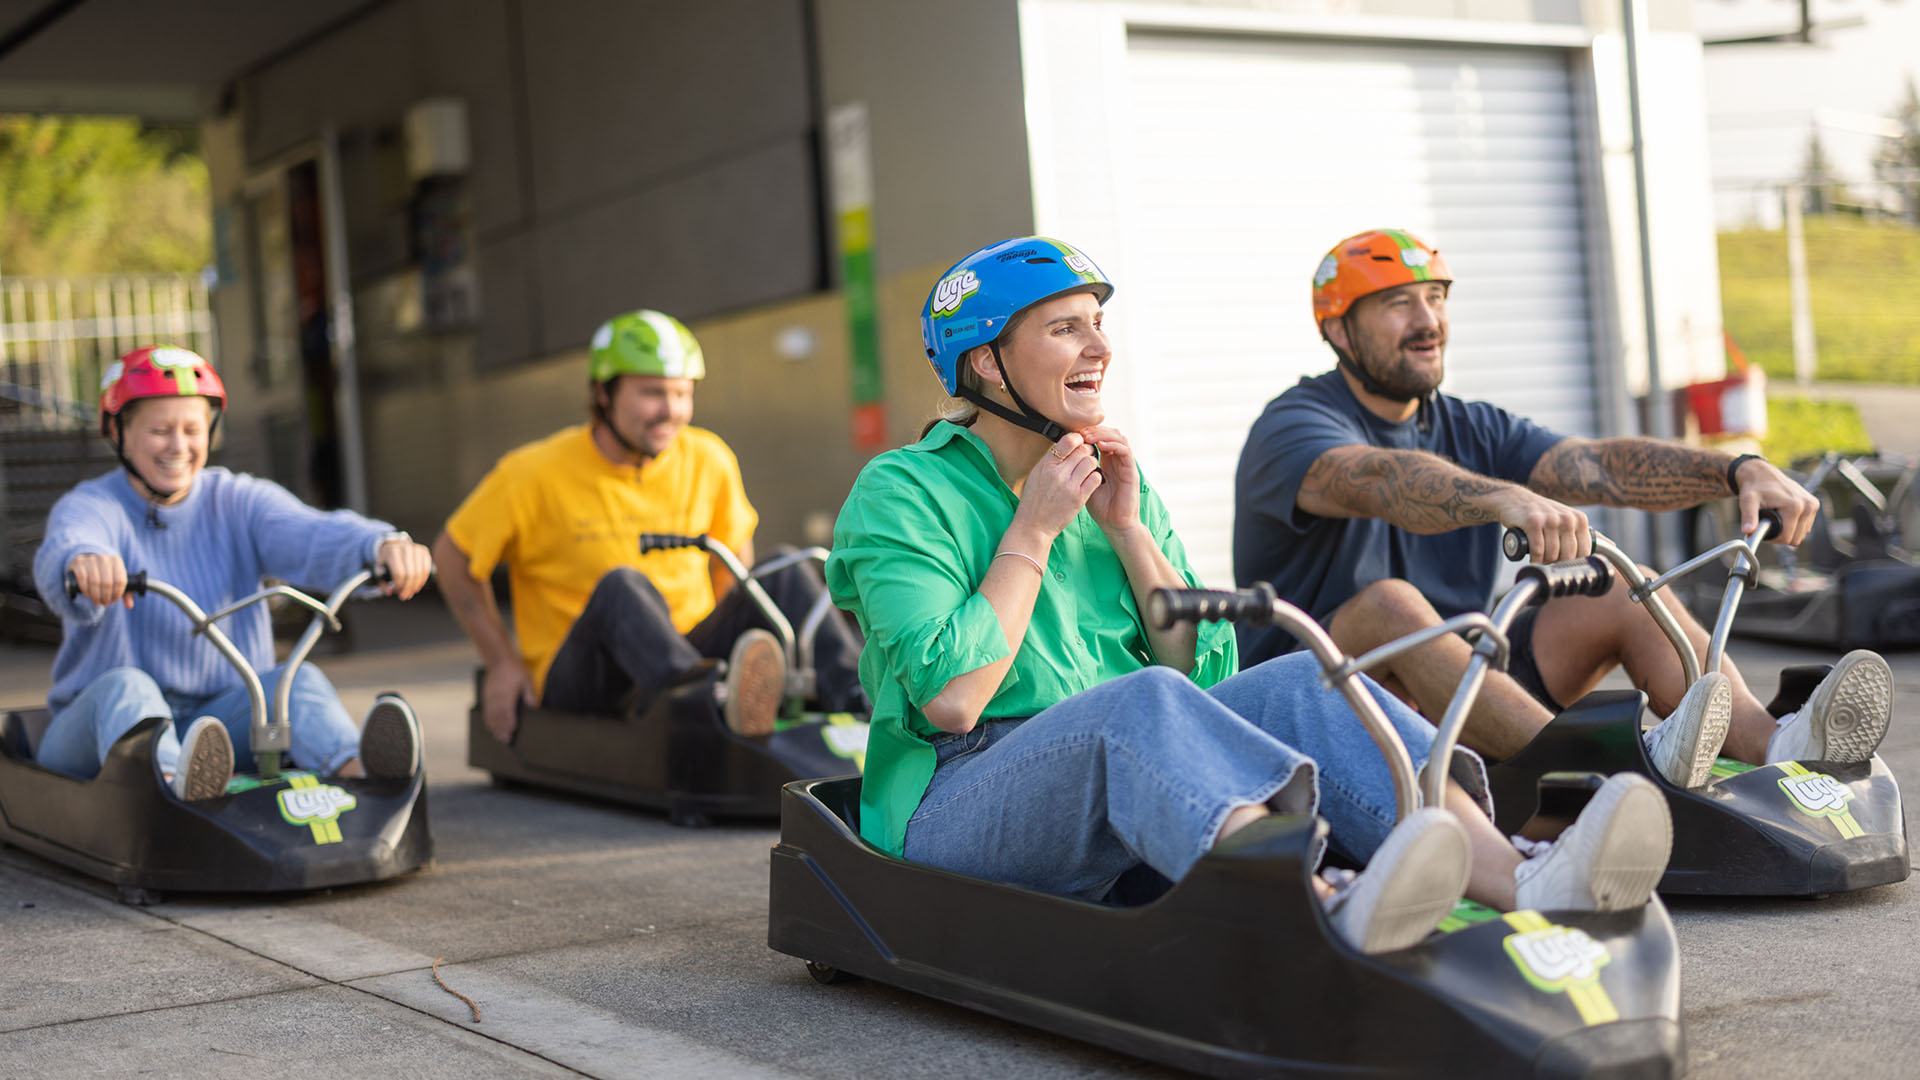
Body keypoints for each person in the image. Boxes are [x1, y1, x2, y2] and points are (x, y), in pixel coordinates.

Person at [827, 236, 1674, 955]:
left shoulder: (1111, 481)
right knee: (1139, 702)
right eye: (1064, 328)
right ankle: (1319, 901)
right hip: (960, 800)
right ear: (986, 362)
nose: (1099, 348)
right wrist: (1036, 531)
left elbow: (1200, 678)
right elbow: (950, 700)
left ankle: (1520, 874)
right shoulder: (901, 492)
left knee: (1307, 677)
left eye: (1098, 326)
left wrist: (1128, 531)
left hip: (1123, 756)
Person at [1233, 228, 1894, 789]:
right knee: (1391, 605)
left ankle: (1779, 747)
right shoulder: (1293, 426)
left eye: (1435, 297)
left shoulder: (1470, 426)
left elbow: (1602, 465)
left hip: (1456, 686)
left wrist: (1737, 470)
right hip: (1314, 709)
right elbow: (1379, 479)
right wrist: (1504, 496)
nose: (1428, 320)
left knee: (1613, 586)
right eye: (1397, 304)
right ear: (1340, 331)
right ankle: (1594, 771)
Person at [434, 309, 864, 745]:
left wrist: (738, 638)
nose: (671, 411)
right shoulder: (531, 473)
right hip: (585, 677)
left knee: (784, 569)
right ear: (604, 393)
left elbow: (730, 571)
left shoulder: (708, 458)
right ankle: (710, 707)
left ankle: (860, 703)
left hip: (689, 656)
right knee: (623, 586)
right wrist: (502, 662)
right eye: (653, 394)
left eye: (682, 394)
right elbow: (453, 557)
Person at [33, 345, 431, 801]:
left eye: (192, 429)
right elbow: (66, 547)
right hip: (95, 730)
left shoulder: (238, 500)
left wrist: (380, 545)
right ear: (117, 432)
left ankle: (363, 777)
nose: (178, 446)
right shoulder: (93, 505)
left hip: (216, 728)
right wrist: (83, 562)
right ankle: (171, 793)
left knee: (294, 682)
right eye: (160, 430)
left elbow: (313, 533)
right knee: (129, 686)